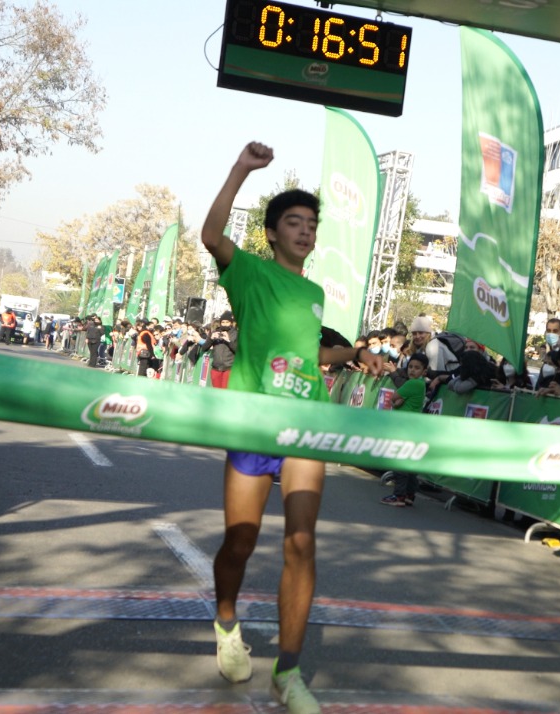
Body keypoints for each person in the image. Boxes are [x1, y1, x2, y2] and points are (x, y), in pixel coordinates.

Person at [200, 141, 384, 714]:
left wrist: (354, 354)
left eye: (311, 224)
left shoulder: (312, 292)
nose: (305, 231)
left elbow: (305, 356)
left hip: (303, 426)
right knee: (241, 540)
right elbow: (210, 234)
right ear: (273, 233)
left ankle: (288, 671)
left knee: (301, 543)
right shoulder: (249, 273)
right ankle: (227, 622)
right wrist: (240, 170)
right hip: (255, 423)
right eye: (294, 223)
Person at [380, 352, 429, 507]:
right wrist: (399, 401)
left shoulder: (413, 384)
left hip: (405, 429)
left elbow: (394, 398)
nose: (412, 370)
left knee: (400, 464)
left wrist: (397, 401)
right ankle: (409, 495)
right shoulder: (419, 384)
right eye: (411, 367)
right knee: (410, 465)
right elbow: (397, 399)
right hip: (414, 428)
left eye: (417, 368)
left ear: (424, 371)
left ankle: (399, 496)